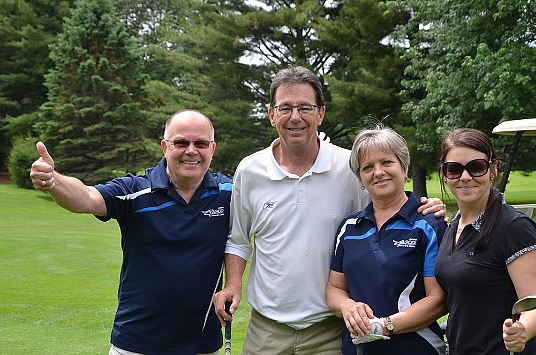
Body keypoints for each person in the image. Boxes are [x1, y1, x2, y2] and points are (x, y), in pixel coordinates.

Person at [213, 65, 446, 354]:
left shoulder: (349, 167)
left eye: (305, 108)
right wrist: (233, 283)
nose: (295, 117)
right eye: (285, 108)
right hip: (267, 327)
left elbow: (385, 208)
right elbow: (238, 240)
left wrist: (424, 207)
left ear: (320, 113)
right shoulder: (250, 170)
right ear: (272, 114)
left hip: (332, 328)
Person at [29, 110, 232, 355]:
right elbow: (86, 197)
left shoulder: (228, 192)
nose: (191, 150)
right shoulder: (135, 191)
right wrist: (53, 180)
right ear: (164, 147)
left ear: (212, 149)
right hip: (136, 342)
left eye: (200, 143)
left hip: (202, 344)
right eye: (181, 142)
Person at [325, 125, 447, 355]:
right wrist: (347, 306)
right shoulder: (349, 228)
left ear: (405, 168)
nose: (378, 172)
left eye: (387, 162)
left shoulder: (429, 225)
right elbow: (334, 288)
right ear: (360, 180)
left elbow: (438, 299)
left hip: (417, 348)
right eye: (368, 167)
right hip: (357, 349)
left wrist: (384, 326)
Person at [434, 128, 536, 354]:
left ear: (493, 169)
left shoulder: (514, 227)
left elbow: (534, 303)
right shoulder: (453, 226)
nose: (465, 177)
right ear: (444, 174)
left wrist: (522, 331)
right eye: (454, 169)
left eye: (476, 167)